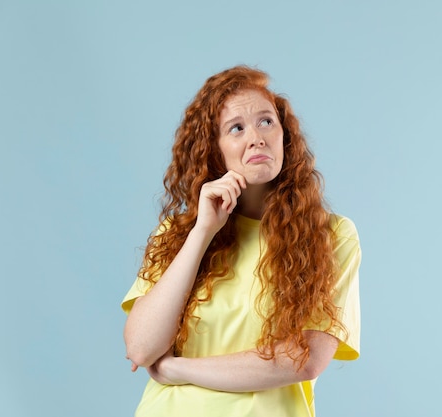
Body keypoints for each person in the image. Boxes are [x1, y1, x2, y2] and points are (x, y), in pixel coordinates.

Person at [121, 65, 361, 417]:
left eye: (266, 122)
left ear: (285, 136)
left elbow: (304, 359)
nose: (257, 137)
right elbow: (141, 348)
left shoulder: (331, 235)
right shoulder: (179, 233)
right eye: (236, 128)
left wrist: (178, 369)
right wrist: (202, 232)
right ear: (215, 151)